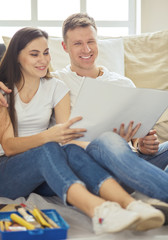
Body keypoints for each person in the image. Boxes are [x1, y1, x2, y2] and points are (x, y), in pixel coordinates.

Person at [1, 27, 165, 235]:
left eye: (46, 52)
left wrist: (113, 146)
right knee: (50, 148)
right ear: (17, 57)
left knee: (71, 150)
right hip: (7, 171)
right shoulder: (4, 91)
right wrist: (49, 136)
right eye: (34, 54)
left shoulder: (56, 87)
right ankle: (100, 210)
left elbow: (71, 136)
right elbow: (8, 146)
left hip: (45, 173)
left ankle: (131, 206)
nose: (43, 60)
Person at [46, 13, 168, 202]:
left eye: (91, 41)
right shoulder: (54, 81)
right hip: (92, 168)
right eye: (77, 43)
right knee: (108, 140)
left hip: (131, 162)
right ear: (65, 47)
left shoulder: (123, 83)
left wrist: (143, 145)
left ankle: (153, 190)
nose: (86, 49)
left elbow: (137, 138)